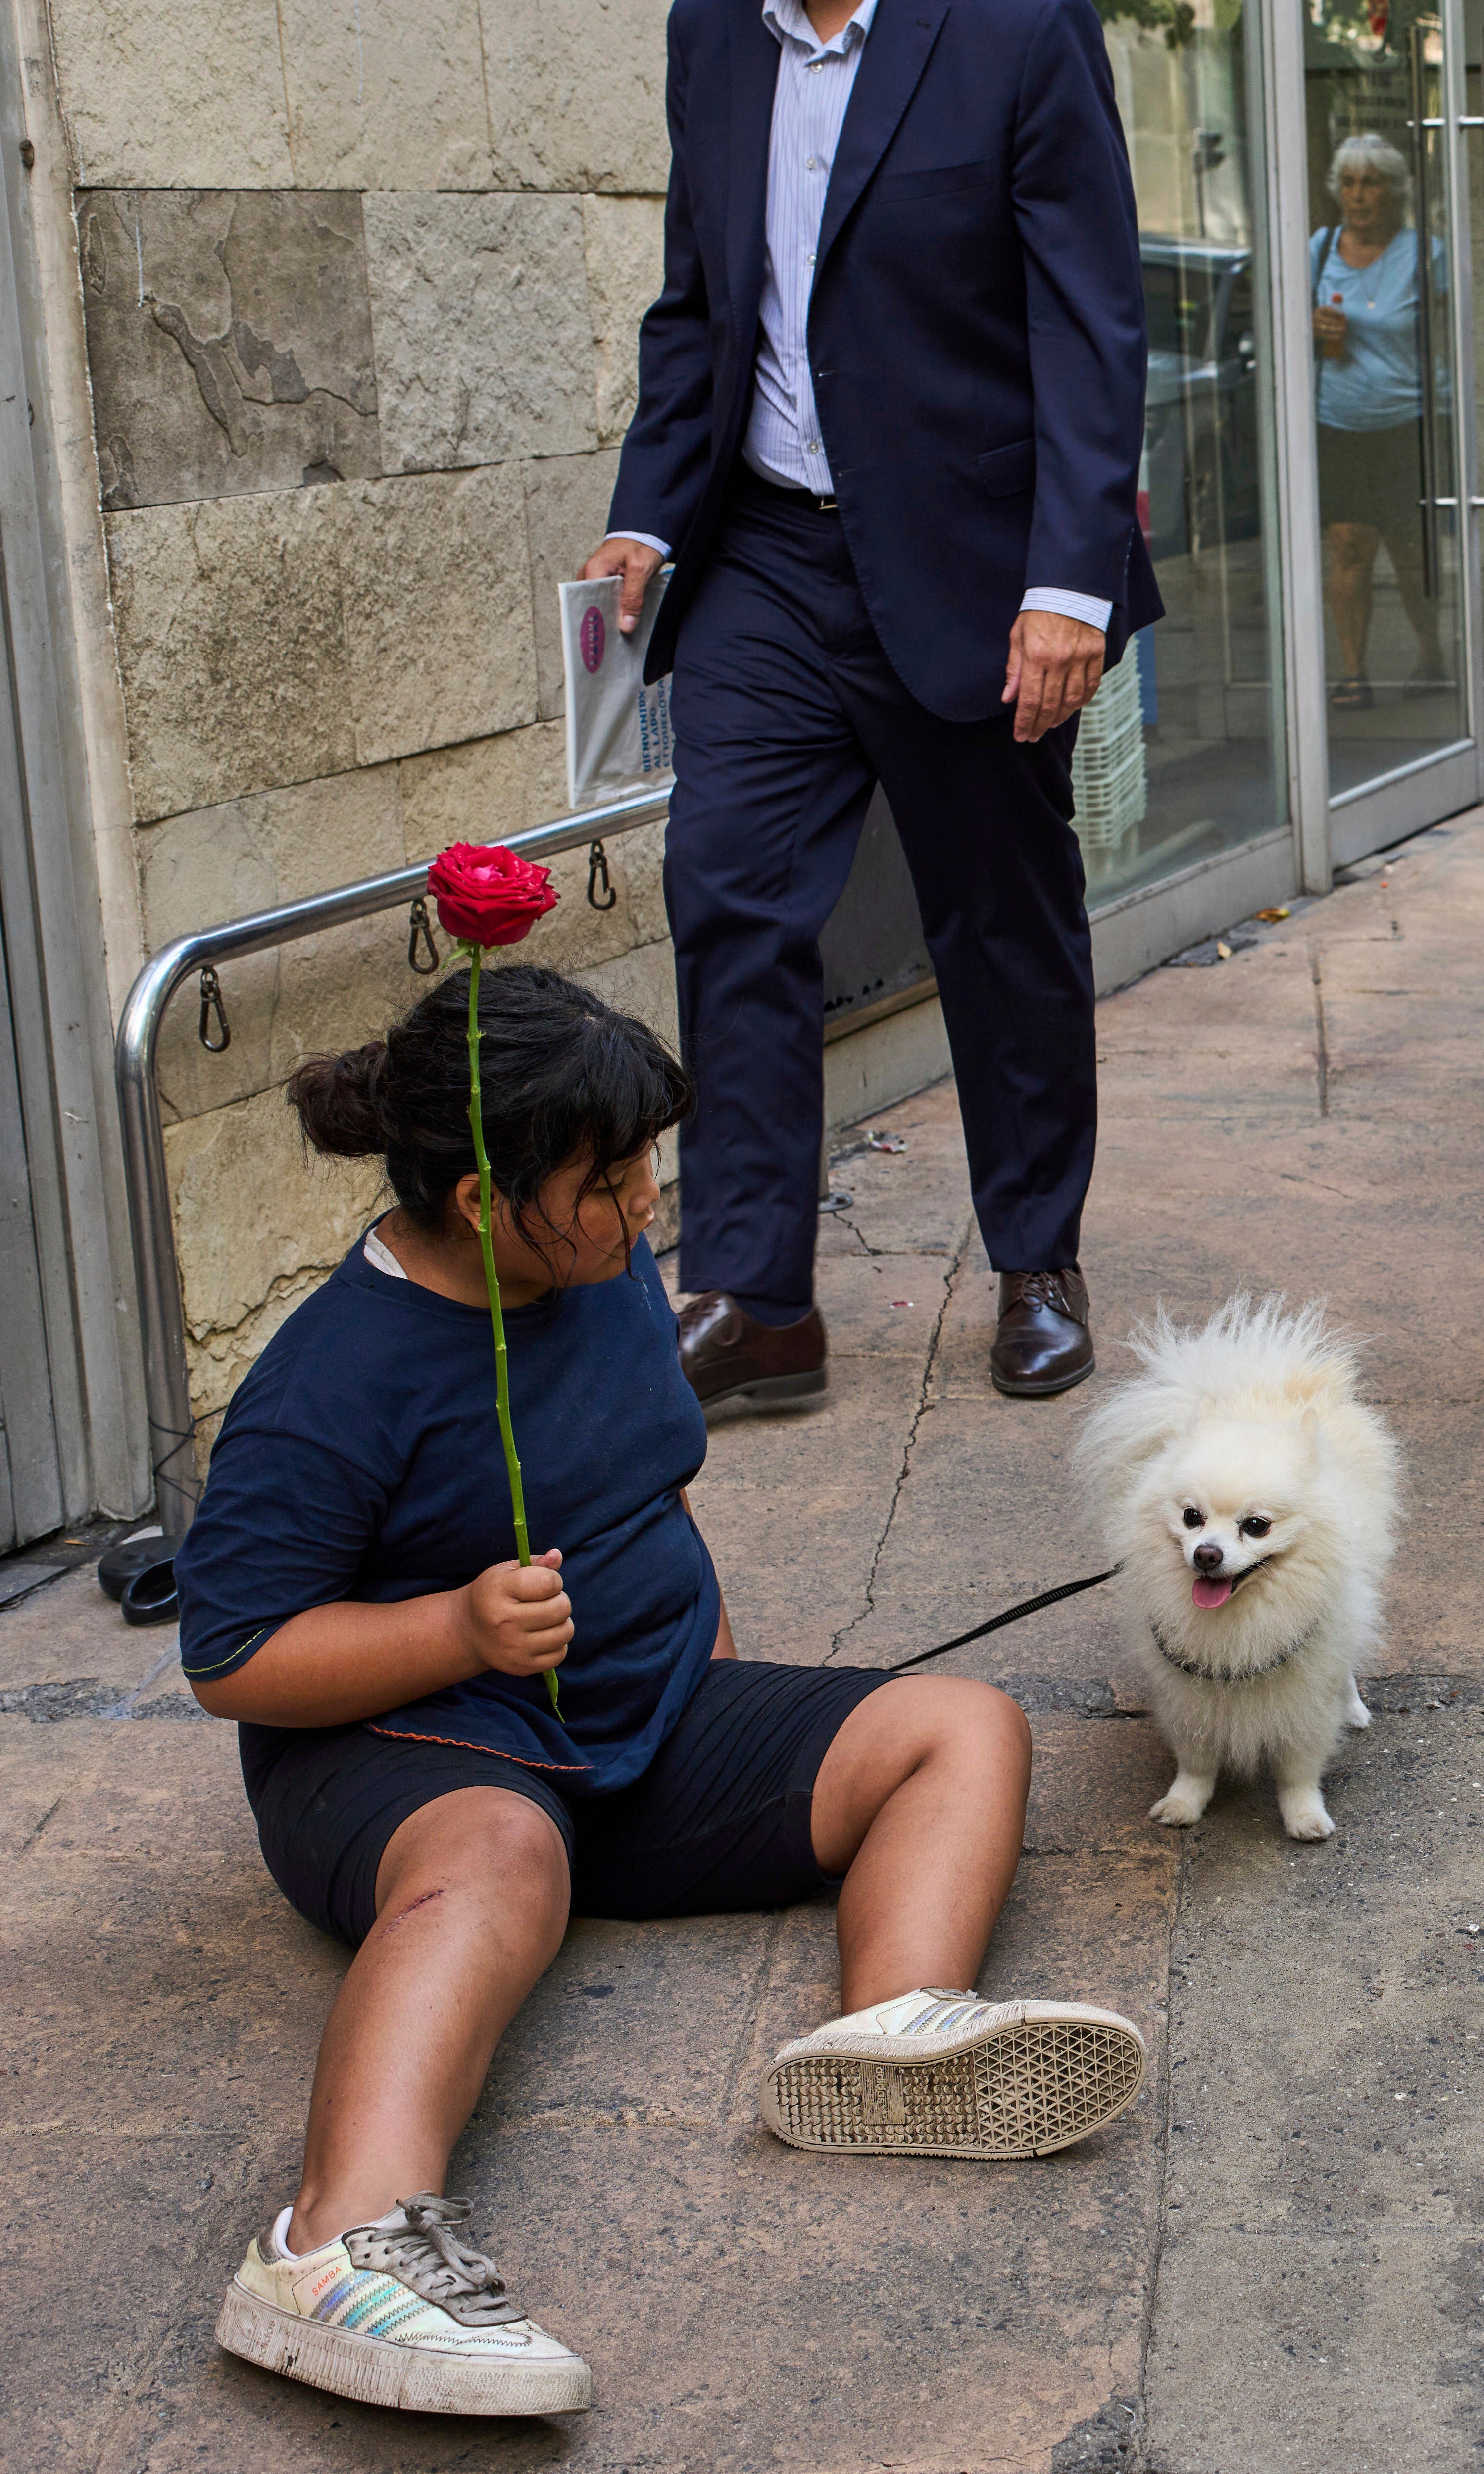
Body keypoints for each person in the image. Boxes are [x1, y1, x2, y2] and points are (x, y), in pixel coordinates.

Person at [183, 967, 1149, 2419]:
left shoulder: (600, 1261)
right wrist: (454, 1626)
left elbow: (641, 1479)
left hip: (642, 1720)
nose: (649, 1200)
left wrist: (707, 1659)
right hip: (409, 1761)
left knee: (959, 1724)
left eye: (647, 1161)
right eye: (609, 1175)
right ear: (475, 1195)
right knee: (504, 1853)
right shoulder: (332, 1377)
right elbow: (233, 1654)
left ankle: (895, 2030)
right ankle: (334, 2241)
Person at [583, 0, 1154, 1414]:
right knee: (731, 899)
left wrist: (1066, 583)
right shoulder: (708, 39)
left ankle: (1034, 1258)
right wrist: (640, 514)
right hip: (762, 553)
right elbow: (697, 315)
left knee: (1002, 924)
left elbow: (1089, 329)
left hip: (971, 567)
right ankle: (756, 1298)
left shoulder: (1016, 27)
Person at [1312, 131, 1444, 712]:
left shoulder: (1425, 254)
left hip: (1406, 422)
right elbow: (1281, 331)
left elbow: (1449, 339)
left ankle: (1431, 654)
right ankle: (1353, 673)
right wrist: (1314, 336)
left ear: (1392, 192)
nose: (1358, 195)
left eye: (1370, 183)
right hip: (1338, 420)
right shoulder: (1318, 248)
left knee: (1410, 551)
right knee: (1347, 545)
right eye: (1348, 182)